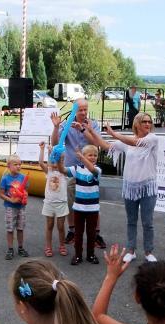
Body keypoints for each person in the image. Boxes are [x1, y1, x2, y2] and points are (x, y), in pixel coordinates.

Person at [86, 113, 160, 262]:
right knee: (131, 221)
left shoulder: (152, 138)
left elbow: (135, 143)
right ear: (137, 124)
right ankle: (131, 250)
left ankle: (148, 252)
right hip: (130, 187)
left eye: (149, 121)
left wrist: (114, 134)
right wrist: (89, 131)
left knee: (147, 222)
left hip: (148, 187)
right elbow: (105, 145)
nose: (148, 124)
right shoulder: (127, 142)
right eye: (144, 121)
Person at [50, 100, 106, 249]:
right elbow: (55, 143)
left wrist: (83, 130)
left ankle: (96, 234)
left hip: (89, 170)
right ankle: (72, 230)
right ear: (75, 110)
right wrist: (56, 127)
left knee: (93, 201)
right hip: (72, 169)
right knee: (71, 202)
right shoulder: (66, 124)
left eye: (85, 109)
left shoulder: (92, 124)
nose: (83, 112)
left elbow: (97, 143)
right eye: (80, 110)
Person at [66, 145, 101, 265]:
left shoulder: (97, 170)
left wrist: (81, 157)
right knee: (78, 233)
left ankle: (91, 255)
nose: (93, 157)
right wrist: (59, 160)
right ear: (84, 156)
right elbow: (63, 170)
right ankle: (78, 255)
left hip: (93, 208)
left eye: (95, 155)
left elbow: (92, 169)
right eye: (90, 155)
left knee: (91, 233)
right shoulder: (77, 169)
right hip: (78, 208)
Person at [38, 142, 69, 257]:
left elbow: (60, 162)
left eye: (60, 160)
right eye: (53, 160)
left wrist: (56, 155)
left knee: (61, 227)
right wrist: (42, 149)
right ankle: (48, 246)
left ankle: (62, 245)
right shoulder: (49, 172)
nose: (55, 163)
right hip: (49, 203)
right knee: (49, 225)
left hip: (61, 203)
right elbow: (41, 163)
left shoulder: (64, 172)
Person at [0, 154, 29, 260]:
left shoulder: (23, 177)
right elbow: (1, 194)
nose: (18, 166)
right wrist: (11, 200)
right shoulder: (5, 179)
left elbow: (26, 191)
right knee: (10, 229)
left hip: (21, 207)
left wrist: (25, 197)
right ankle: (10, 249)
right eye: (16, 164)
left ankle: (20, 248)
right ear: (9, 166)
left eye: (20, 164)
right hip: (10, 207)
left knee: (20, 228)